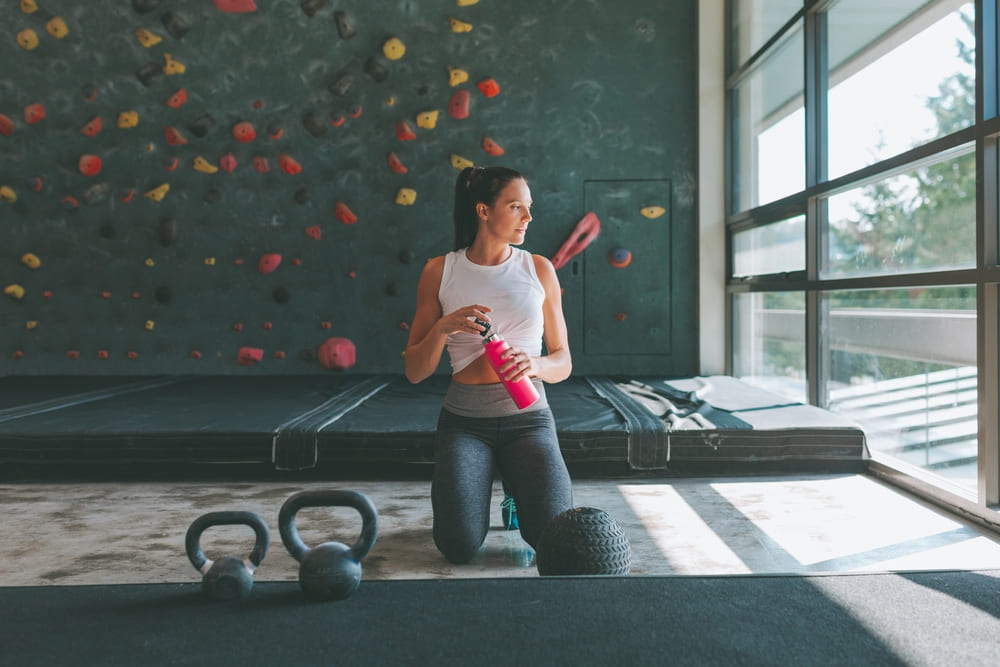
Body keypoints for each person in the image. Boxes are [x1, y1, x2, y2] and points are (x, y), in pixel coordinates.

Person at [404, 165, 574, 564]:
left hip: (529, 419)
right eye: (516, 207)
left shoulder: (538, 268)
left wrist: (534, 363)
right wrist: (443, 328)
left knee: (554, 539)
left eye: (528, 208)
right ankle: (486, 477)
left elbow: (563, 361)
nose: (528, 218)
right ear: (483, 210)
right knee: (458, 547)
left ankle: (516, 486)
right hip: (465, 424)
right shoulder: (439, 271)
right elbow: (414, 370)